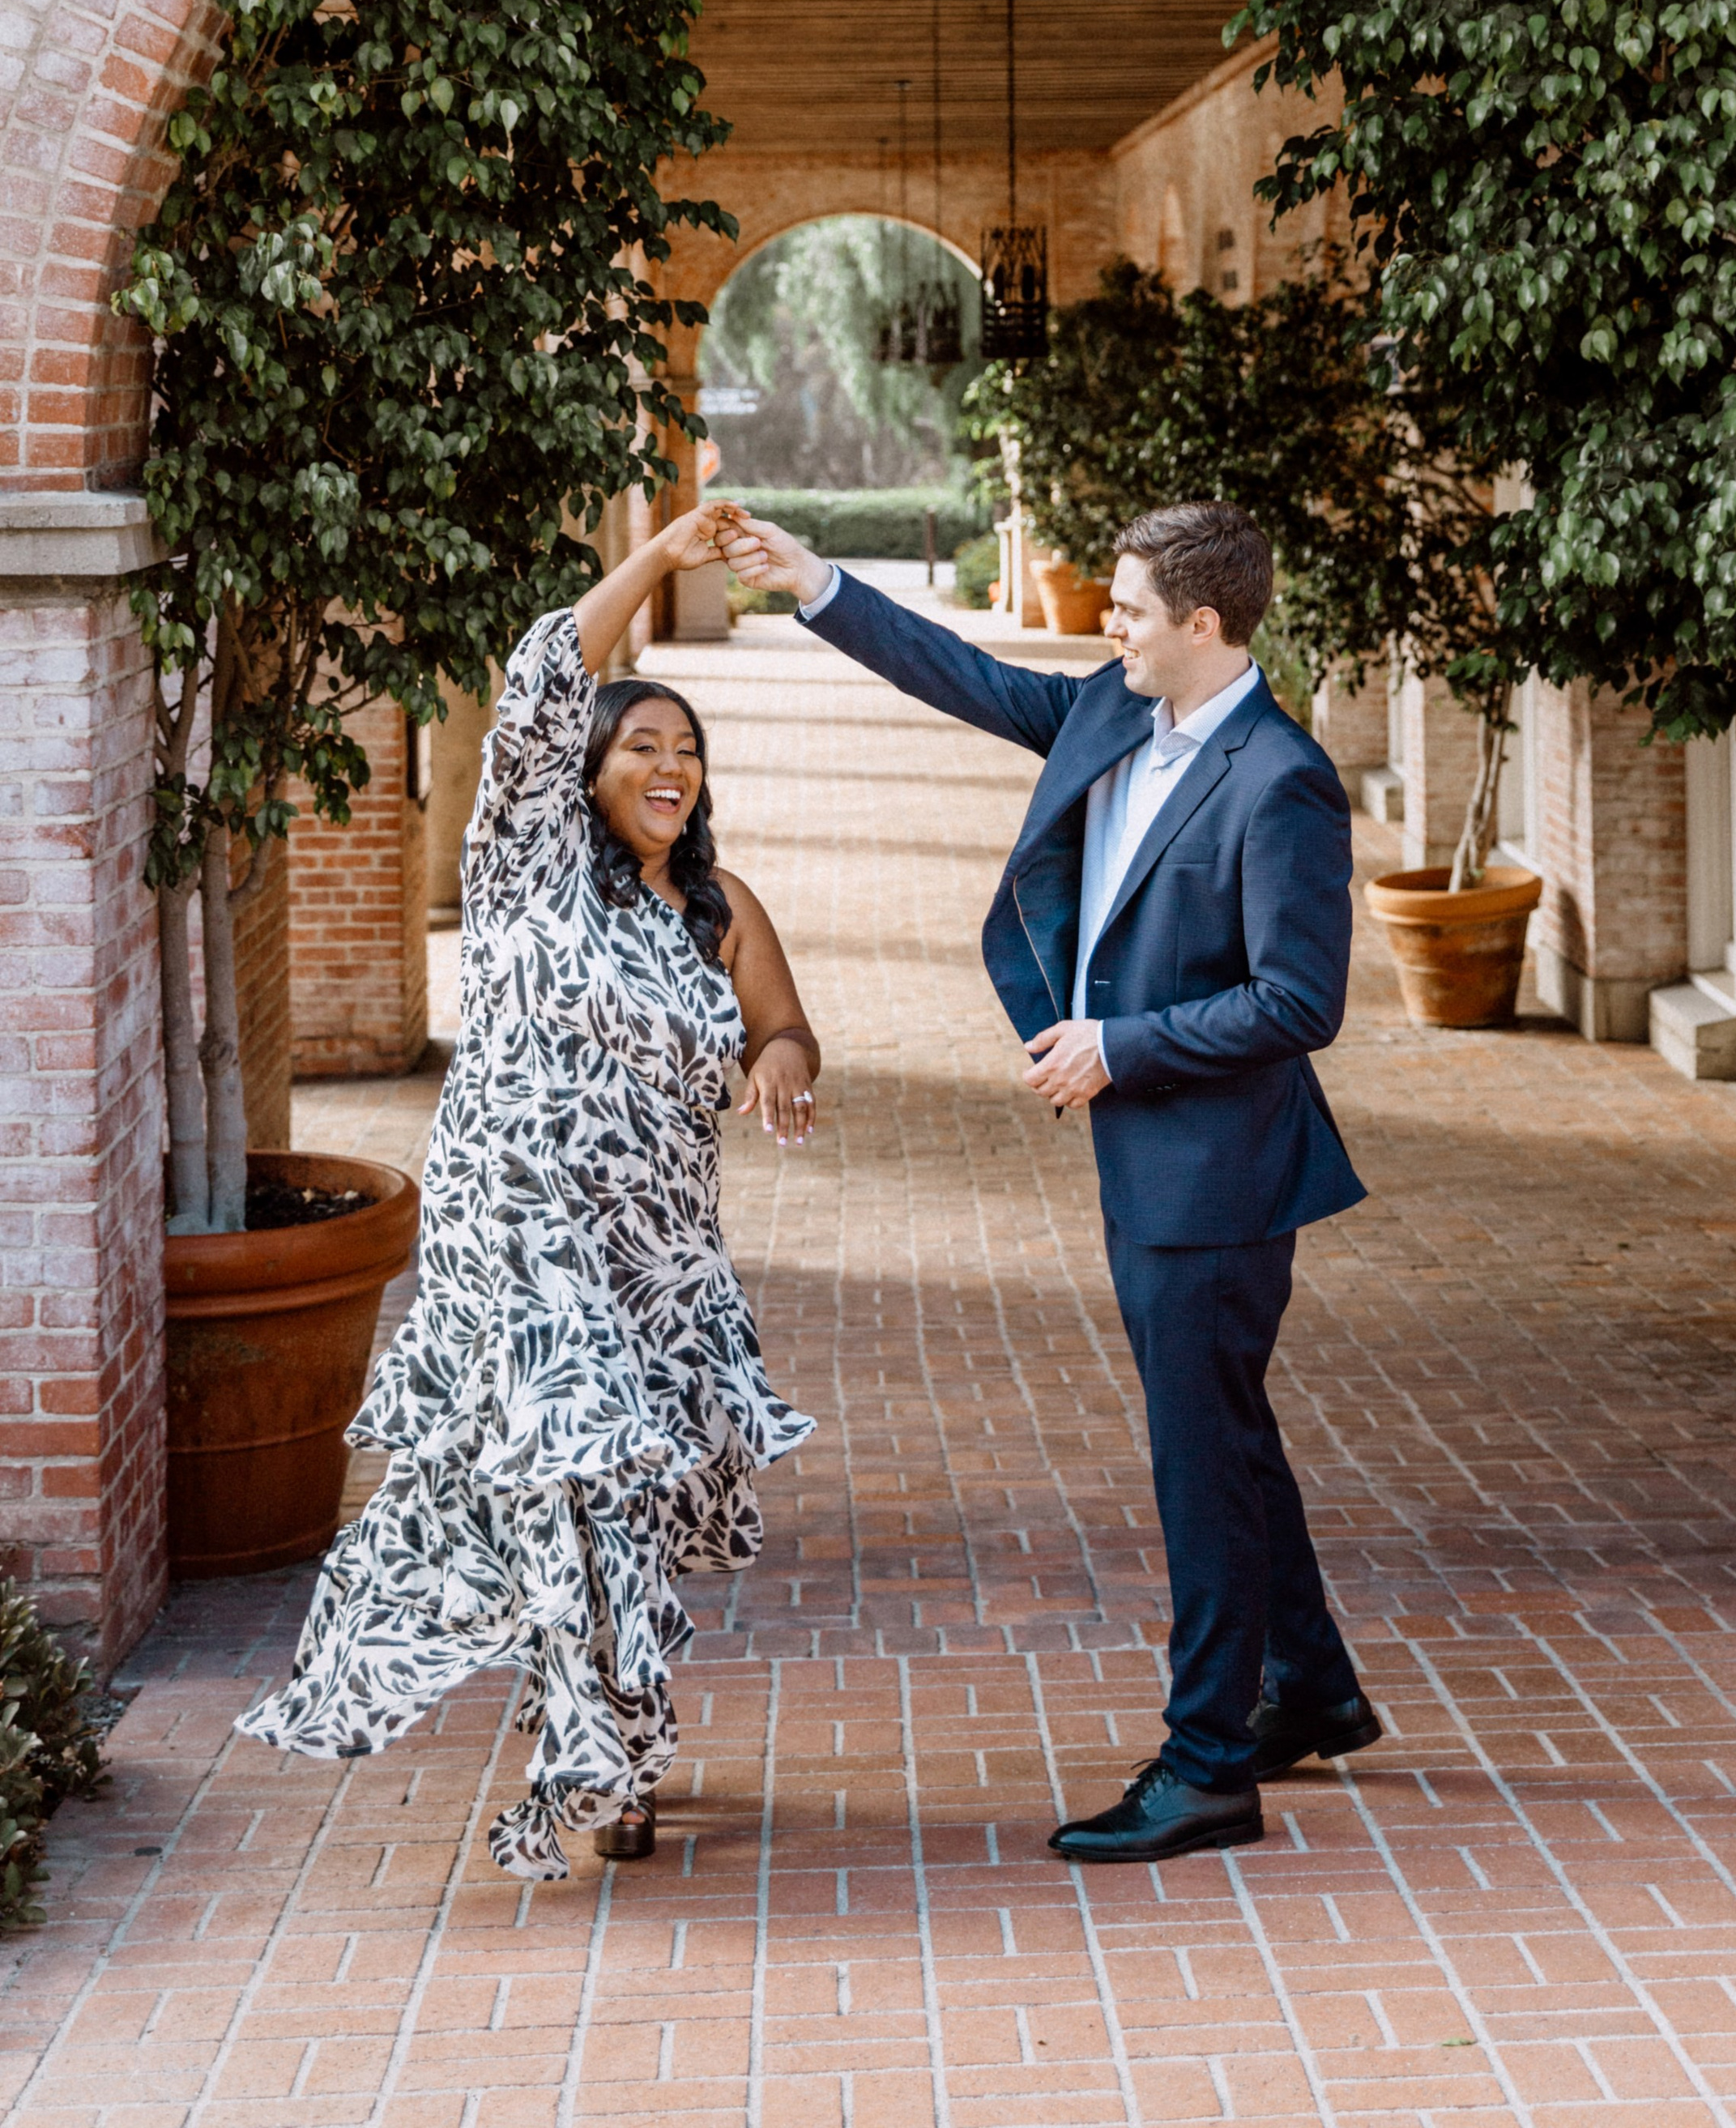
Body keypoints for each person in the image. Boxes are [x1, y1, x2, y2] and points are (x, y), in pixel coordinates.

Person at [716, 497, 1381, 1862]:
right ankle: (1306, 1684)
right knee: (1229, 1430)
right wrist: (817, 583)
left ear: (1203, 623)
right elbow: (970, 678)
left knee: (1196, 1462)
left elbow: (1299, 1002)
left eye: (1131, 609)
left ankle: (1207, 1768)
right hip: (1151, 1153)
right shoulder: (1113, 713)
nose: (1107, 625)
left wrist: (1118, 1047)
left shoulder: (1281, 779)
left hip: (1219, 1177)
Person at [236, 509, 818, 1880]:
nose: (669, 766)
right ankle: (606, 1760)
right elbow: (546, 672)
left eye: (687, 750)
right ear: (588, 773)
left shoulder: (717, 906)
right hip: (522, 1245)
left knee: (621, 1506)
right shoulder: (524, 869)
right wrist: (657, 560)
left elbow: (784, 1027)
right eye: (642, 745)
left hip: (655, 1255)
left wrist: (782, 1062)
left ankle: (603, 1736)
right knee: (581, 1492)